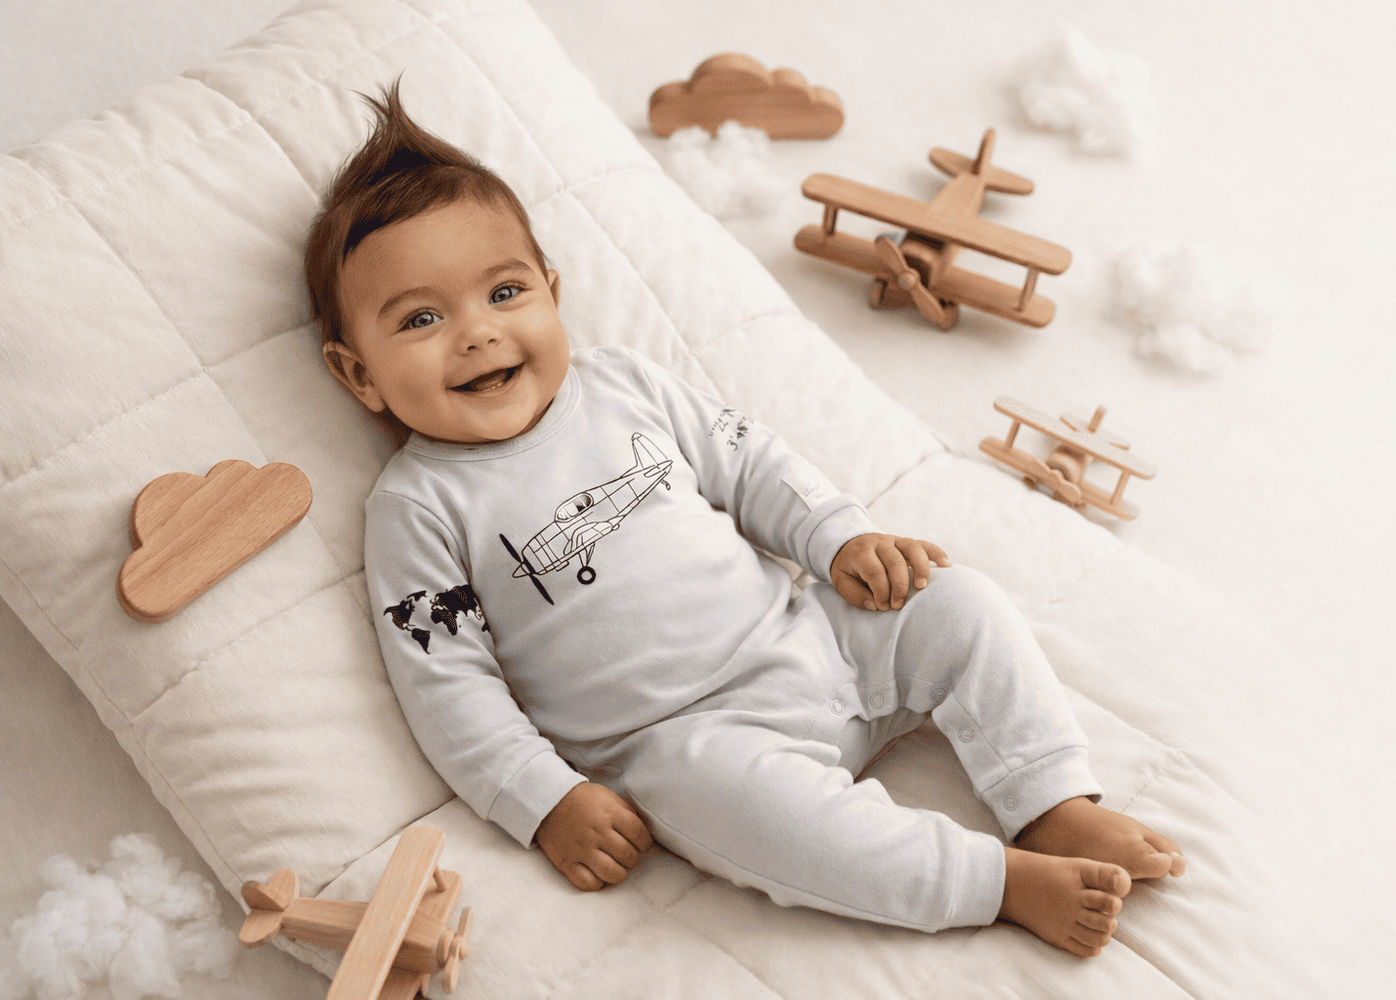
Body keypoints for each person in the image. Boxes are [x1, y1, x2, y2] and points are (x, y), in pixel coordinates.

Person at [308, 81, 1185, 958]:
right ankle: (993, 882)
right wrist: (545, 799)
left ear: (553, 290)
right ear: (358, 376)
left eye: (504, 292)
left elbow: (751, 464)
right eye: (421, 318)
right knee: (768, 822)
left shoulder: (625, 385)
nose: (476, 333)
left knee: (955, 599)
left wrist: (838, 538)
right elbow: (447, 687)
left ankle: (1051, 799)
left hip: (811, 635)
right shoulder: (416, 508)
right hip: (689, 743)